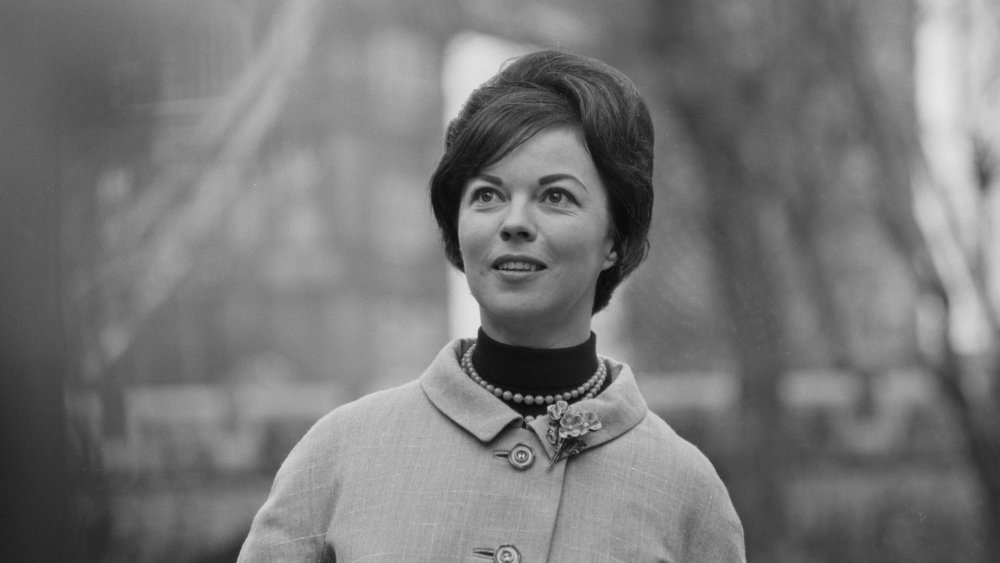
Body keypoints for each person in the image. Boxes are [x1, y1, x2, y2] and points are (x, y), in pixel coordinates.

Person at [238, 49, 745, 562]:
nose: (514, 222)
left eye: (556, 197)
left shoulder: (685, 494)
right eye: (487, 195)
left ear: (614, 236)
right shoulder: (338, 456)